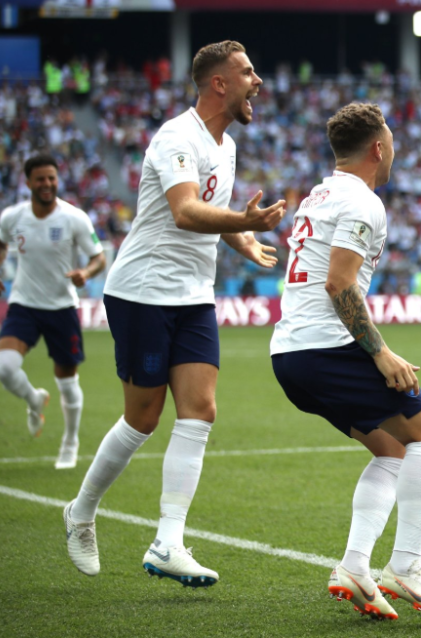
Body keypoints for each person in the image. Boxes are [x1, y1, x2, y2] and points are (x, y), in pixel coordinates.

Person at [62, 41, 285, 585]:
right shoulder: (176, 137)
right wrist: (245, 223)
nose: (258, 82)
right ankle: (81, 512)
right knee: (143, 417)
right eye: (248, 73)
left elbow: (211, 213)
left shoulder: (226, 146)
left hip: (193, 295)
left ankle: (168, 542)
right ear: (219, 83)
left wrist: (243, 241)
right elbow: (185, 211)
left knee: (200, 410)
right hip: (143, 291)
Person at [271, 103, 421, 620]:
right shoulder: (362, 201)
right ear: (378, 148)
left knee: (392, 449)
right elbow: (339, 283)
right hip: (328, 348)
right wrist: (380, 352)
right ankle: (406, 566)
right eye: (391, 141)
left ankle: (355, 566)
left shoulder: (319, 194)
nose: (394, 150)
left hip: (291, 354)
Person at [0, 155, 106, 469]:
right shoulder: (13, 216)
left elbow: (98, 257)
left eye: (52, 178)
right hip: (24, 304)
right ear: (28, 182)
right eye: (40, 179)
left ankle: (70, 442)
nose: (47, 184)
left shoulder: (74, 218)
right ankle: (33, 399)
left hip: (61, 308)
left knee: (67, 382)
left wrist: (86, 273)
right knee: (4, 368)